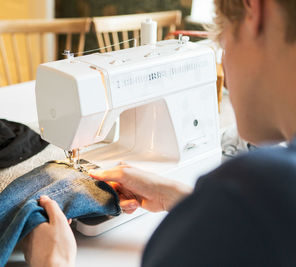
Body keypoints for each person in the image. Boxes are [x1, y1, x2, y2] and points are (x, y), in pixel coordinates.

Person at [21, 0, 296, 266]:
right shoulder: (268, 197)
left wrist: (52, 262)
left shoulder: (252, 188)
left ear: (254, 9)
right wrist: (184, 199)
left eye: (223, 43)